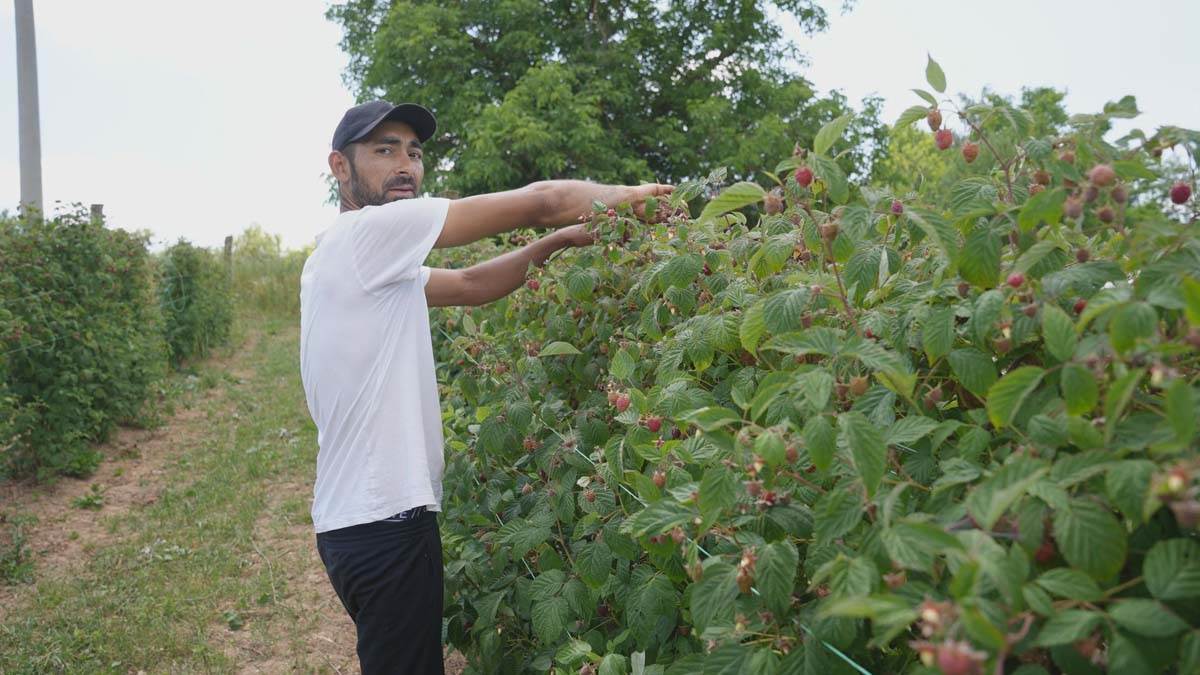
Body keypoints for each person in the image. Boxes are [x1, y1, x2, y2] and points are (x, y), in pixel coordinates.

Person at [299, 100, 672, 674]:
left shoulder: (348, 256)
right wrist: (630, 197)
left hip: (356, 522)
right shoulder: (372, 233)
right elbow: (542, 199)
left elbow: (472, 283)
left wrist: (561, 241)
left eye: (414, 153)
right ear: (339, 167)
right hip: (384, 520)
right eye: (384, 150)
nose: (405, 166)